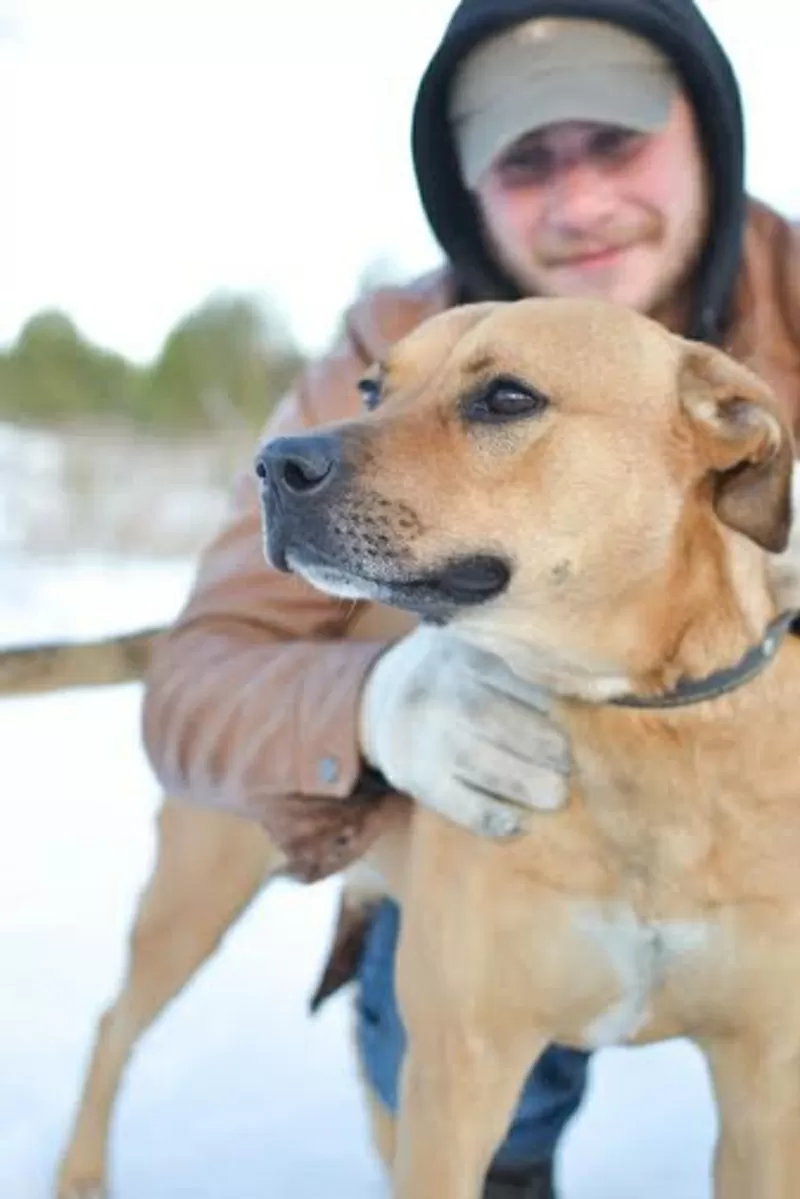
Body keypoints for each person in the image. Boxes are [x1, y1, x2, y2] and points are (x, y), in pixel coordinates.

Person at [141, 1, 800, 1195]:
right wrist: (372, 703)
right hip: (507, 818)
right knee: (452, 1051)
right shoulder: (395, 326)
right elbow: (197, 680)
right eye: (524, 158)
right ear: (467, 191)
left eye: (615, 140)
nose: (578, 199)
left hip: (751, 816)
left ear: (705, 132)